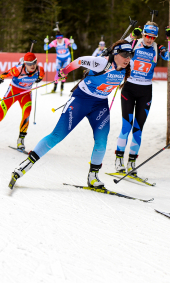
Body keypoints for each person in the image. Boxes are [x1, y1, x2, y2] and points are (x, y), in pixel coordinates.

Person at [8, 41, 133, 190]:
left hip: (100, 105)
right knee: (57, 135)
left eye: (130, 55)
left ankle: (93, 176)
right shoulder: (101, 63)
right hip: (81, 100)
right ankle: (25, 166)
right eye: (124, 55)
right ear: (115, 54)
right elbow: (79, 61)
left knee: (102, 140)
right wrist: (64, 71)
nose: (127, 58)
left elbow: (136, 41)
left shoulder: (125, 68)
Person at [113, 22, 170, 177]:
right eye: (147, 36)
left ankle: (132, 163)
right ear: (143, 34)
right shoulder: (134, 44)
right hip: (129, 89)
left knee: (138, 130)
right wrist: (132, 35)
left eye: (152, 37)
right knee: (126, 127)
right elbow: (118, 48)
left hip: (145, 91)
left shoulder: (157, 47)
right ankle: (119, 159)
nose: (149, 39)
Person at [0, 52, 45, 150]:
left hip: (26, 94)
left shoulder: (40, 70)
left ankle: (21, 140)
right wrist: (0, 77)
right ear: (25, 64)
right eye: (29, 63)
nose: (32, 65)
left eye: (34, 62)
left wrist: (39, 79)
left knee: (26, 115)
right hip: (13, 92)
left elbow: (41, 76)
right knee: (0, 115)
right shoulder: (18, 70)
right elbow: (5, 74)